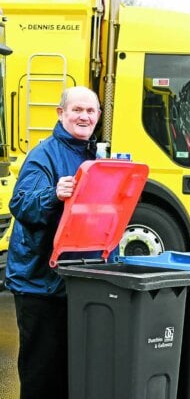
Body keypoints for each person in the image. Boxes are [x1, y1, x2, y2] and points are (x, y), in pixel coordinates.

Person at [5, 86, 102, 399]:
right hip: (40, 284)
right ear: (61, 114)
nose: (84, 116)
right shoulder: (44, 154)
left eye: (90, 111)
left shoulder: (93, 155)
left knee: (68, 373)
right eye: (77, 110)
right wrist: (53, 194)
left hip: (75, 278)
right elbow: (21, 204)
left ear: (98, 117)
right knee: (42, 375)